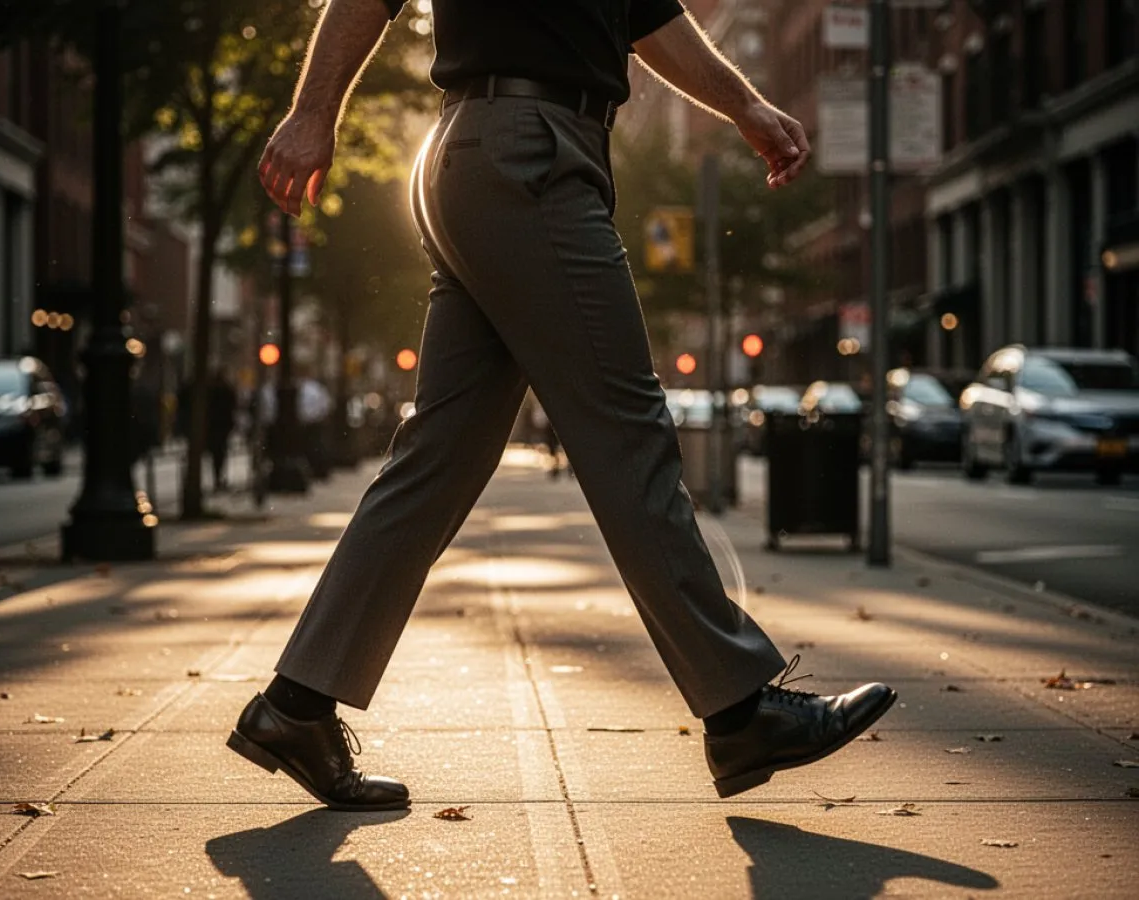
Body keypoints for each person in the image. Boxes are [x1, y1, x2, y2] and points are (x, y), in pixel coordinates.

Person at [228, 0, 895, 813]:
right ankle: (739, 706)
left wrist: (745, 106)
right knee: (627, 433)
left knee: (440, 458)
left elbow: (648, 14)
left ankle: (295, 707)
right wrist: (309, 113)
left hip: (503, 152)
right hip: (525, 150)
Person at [207, 370, 238, 493]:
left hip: (215, 426)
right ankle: (218, 478)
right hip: (221, 426)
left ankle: (217, 478)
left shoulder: (212, 391)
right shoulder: (226, 391)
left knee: (217, 454)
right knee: (219, 454)